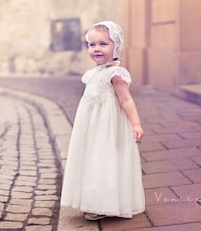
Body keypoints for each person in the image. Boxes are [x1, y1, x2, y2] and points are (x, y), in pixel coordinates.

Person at [60, 21, 145, 220]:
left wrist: (136, 123)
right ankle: (92, 199)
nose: (96, 49)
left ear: (116, 46)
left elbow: (126, 100)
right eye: (92, 44)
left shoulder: (115, 74)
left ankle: (104, 203)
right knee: (91, 159)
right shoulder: (92, 74)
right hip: (91, 125)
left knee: (105, 160)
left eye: (103, 44)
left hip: (108, 126)